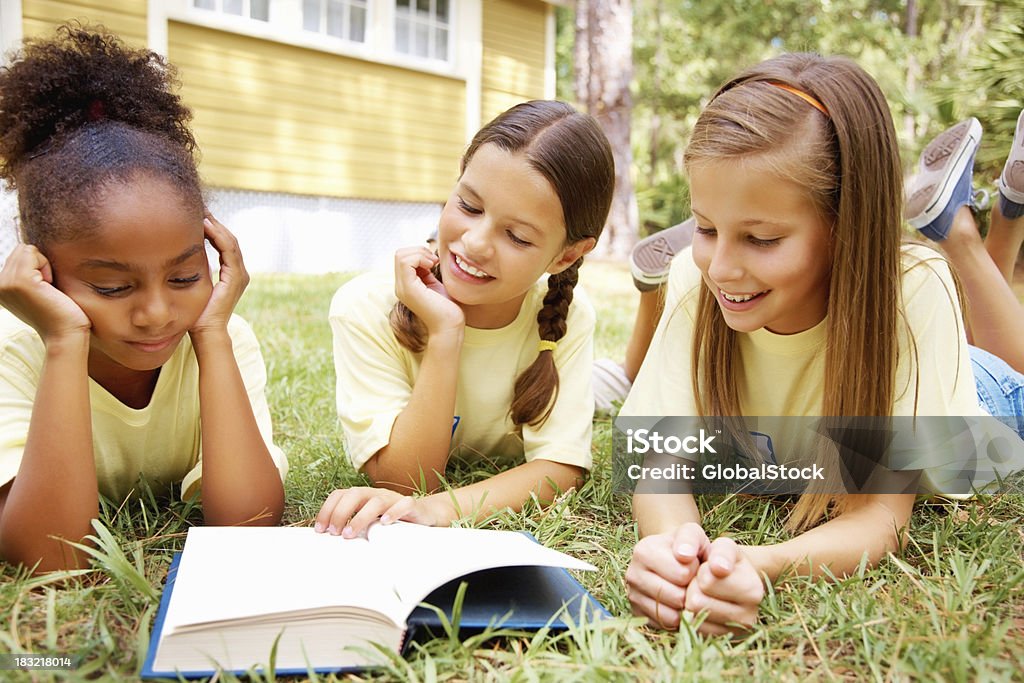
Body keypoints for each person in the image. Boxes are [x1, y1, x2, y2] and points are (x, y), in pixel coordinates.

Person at [621, 53, 1023, 636]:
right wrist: (676, 555)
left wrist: (764, 564)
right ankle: (997, 216)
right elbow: (660, 465)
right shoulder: (693, 275)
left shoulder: (911, 289)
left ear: (845, 224)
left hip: (985, 397)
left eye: (760, 238)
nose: (722, 268)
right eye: (706, 228)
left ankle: (968, 230)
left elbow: (881, 516)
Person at [0, 26, 288, 573]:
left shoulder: (220, 339)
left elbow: (249, 522)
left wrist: (212, 337)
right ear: (41, 269)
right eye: (112, 287)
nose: (157, 313)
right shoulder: (14, 353)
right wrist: (63, 342)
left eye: (184, 277)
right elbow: (50, 556)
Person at [315, 100, 615, 538]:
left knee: (611, 387)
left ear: (566, 255)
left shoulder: (569, 315)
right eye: (470, 207)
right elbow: (404, 480)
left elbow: (561, 469)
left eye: (516, 236)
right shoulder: (363, 306)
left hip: (571, 376)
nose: (474, 244)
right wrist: (445, 333)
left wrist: (439, 510)